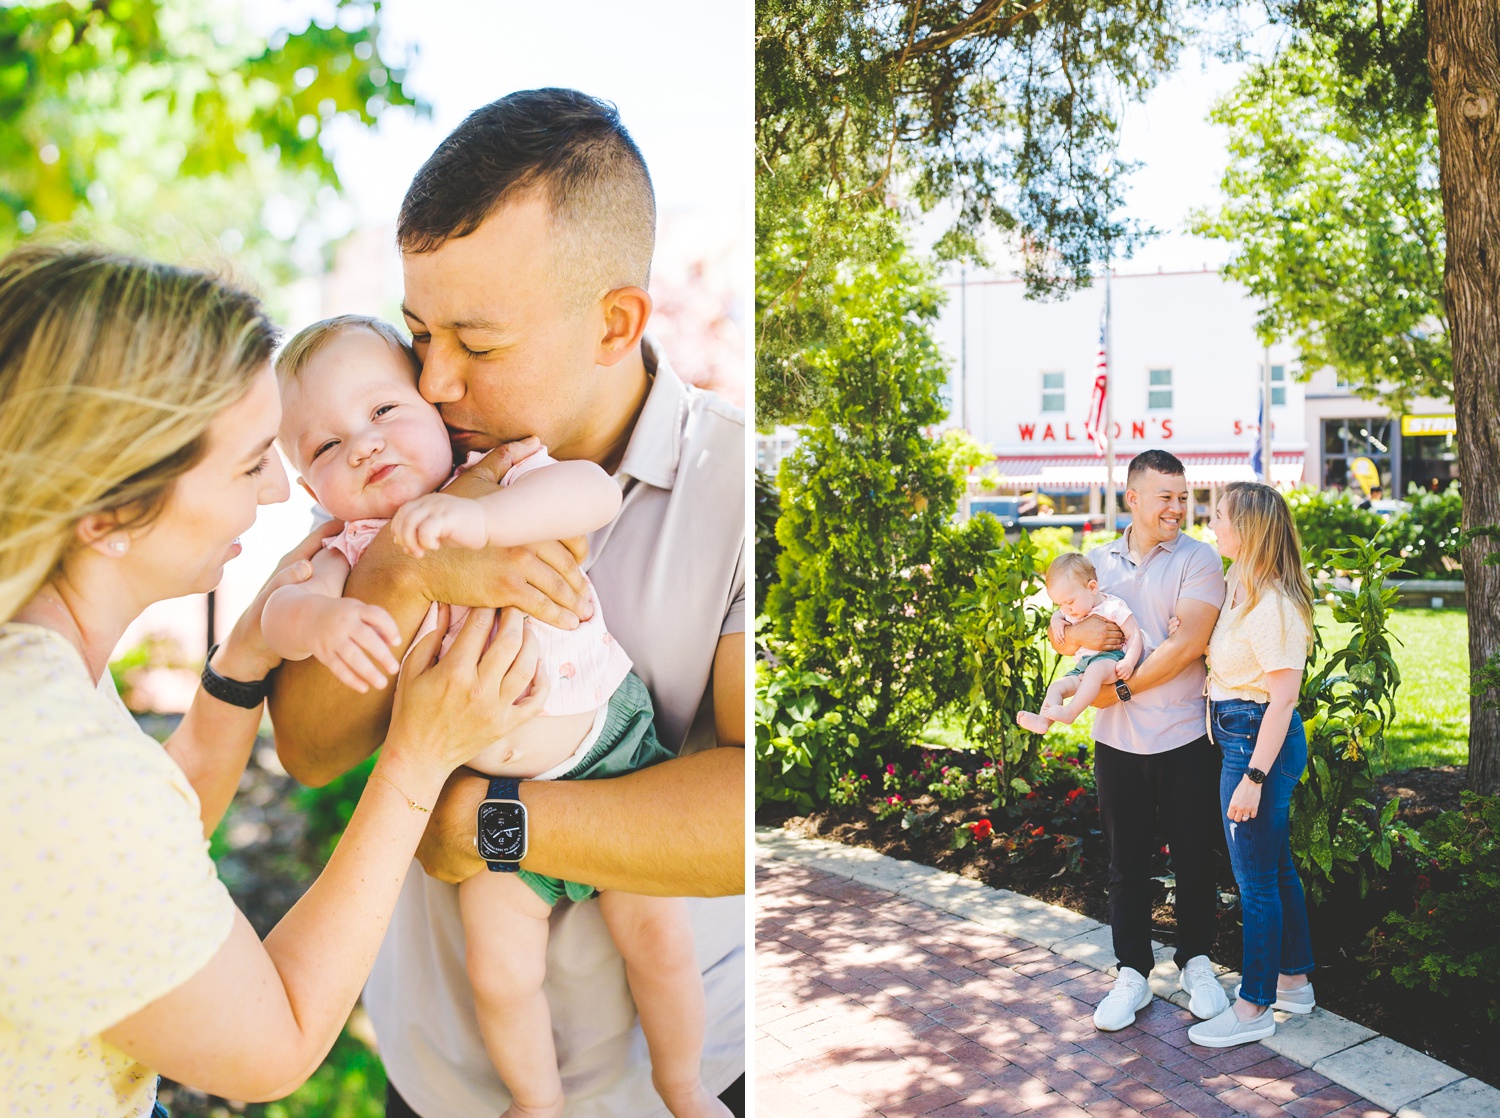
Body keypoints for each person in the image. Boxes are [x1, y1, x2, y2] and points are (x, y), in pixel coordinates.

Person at [267, 89, 746, 1118]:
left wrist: (488, 824)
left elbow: (753, 810)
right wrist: (404, 569)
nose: (434, 380)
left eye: (477, 345)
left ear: (614, 322)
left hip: (684, 1082)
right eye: (416, 332)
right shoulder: (394, 476)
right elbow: (307, 745)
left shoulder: (743, 488)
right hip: (439, 1080)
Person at [0, 246, 545, 1116]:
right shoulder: (40, 761)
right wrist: (418, 756)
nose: (272, 494)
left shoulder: (33, 663)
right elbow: (271, 1049)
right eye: (252, 460)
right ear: (107, 511)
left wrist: (243, 661)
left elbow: (130, 861)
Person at [1050, 450, 1231, 1032]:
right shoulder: (1097, 562)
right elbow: (1066, 626)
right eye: (1166, 497)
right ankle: (1132, 973)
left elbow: (1189, 645)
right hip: (1118, 746)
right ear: (1133, 498)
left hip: (1185, 737)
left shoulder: (1199, 558)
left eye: (1183, 497)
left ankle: (1196, 962)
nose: (1178, 508)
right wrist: (1070, 632)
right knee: (1125, 866)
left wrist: (1116, 689)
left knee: (1194, 859)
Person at [1187, 482, 1316, 1048]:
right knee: (1276, 869)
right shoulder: (1241, 581)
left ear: (1250, 529)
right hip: (1239, 732)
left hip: (1257, 744)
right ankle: (1293, 981)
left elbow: (1283, 700)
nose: (1212, 526)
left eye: (1220, 518)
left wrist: (1254, 779)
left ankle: (1255, 1006)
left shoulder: (1276, 607)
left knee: (1255, 882)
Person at [1017, 553, 1143, 733]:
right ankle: (1043, 722)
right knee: (1057, 687)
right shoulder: (1071, 610)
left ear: (1092, 587)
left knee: (1095, 670)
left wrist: (1129, 662)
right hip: (1083, 667)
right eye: (1060, 605)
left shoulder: (1112, 607)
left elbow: (1134, 634)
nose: (1066, 609)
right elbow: (1059, 615)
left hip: (1110, 661)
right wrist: (1056, 620)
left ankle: (1070, 712)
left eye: (1069, 602)